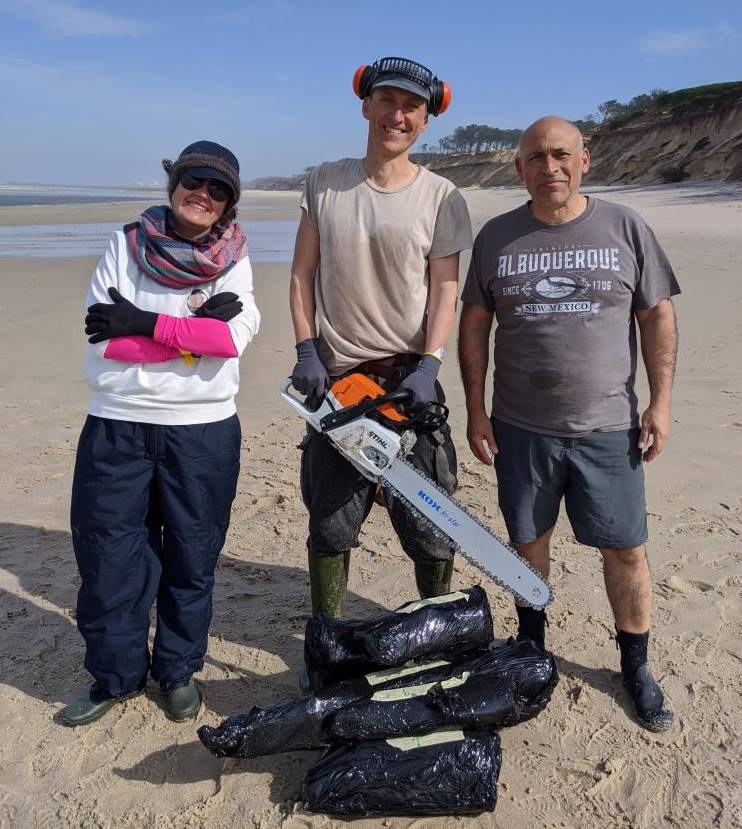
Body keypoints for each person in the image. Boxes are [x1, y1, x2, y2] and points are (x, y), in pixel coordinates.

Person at [458, 116, 680, 732]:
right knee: (527, 545)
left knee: (627, 550)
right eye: (535, 157)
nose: (549, 167)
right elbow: (475, 324)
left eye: (561, 155)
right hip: (521, 426)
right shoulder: (498, 237)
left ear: (585, 158)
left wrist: (659, 403)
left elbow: (656, 316)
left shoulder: (625, 227)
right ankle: (531, 646)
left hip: (608, 427)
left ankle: (635, 665)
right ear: (518, 166)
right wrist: (476, 408)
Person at [61, 141, 260, 726]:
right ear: (173, 182)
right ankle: (115, 677)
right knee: (108, 558)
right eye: (193, 180)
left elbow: (227, 341)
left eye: (218, 190)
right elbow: (107, 337)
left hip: (201, 432)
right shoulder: (124, 244)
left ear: (229, 205)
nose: (203, 194)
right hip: (116, 426)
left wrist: (144, 322)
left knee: (192, 557)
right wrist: (189, 331)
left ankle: (177, 672)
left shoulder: (236, 259)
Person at [289, 57, 472, 628]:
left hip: (409, 382)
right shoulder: (325, 182)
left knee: (430, 523)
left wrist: (429, 364)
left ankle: (435, 627)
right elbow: (301, 276)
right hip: (338, 380)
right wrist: (306, 349)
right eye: (387, 101)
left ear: (427, 117)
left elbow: (446, 290)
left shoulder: (443, 196)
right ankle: (325, 634)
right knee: (331, 520)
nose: (397, 115)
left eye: (411, 106)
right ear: (366, 104)